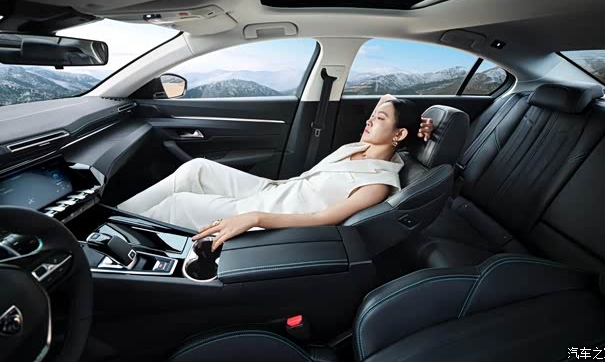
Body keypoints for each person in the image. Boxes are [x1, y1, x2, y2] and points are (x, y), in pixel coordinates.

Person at [117, 94, 433, 251]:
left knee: (179, 203)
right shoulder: (358, 147)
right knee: (196, 168)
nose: (369, 120)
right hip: (276, 189)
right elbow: (388, 107)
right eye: (373, 115)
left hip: (274, 214)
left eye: (379, 119)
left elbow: (322, 219)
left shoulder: (378, 184)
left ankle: (113, 237)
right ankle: (115, 215)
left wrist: (255, 217)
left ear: (399, 134)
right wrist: (420, 124)